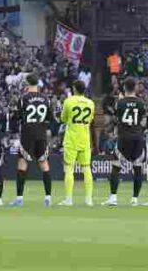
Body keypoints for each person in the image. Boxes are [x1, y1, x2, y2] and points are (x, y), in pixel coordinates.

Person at [9, 73, 53, 207]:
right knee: (44, 164)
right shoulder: (46, 99)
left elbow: (16, 117)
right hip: (41, 134)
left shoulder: (23, 99)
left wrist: (14, 115)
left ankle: (19, 198)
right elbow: (50, 118)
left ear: (27, 84)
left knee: (22, 164)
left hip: (27, 134)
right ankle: (48, 198)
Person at [105, 78, 147, 206]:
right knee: (137, 168)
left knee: (116, 166)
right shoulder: (141, 103)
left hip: (124, 137)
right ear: (135, 88)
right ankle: (135, 199)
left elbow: (115, 118)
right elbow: (144, 121)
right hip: (137, 137)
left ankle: (113, 198)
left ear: (124, 88)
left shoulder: (120, 102)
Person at [60, 79, 96, 207]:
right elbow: (90, 120)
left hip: (71, 139)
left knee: (69, 168)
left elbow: (63, 118)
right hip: (85, 139)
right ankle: (88, 199)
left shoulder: (68, 101)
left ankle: (69, 200)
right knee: (86, 168)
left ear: (74, 89)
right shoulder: (90, 103)